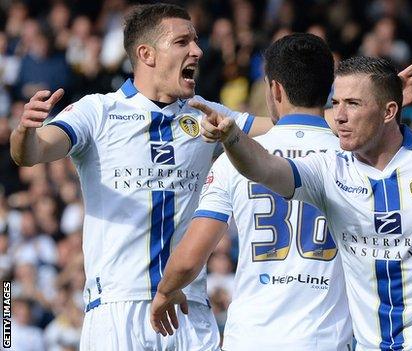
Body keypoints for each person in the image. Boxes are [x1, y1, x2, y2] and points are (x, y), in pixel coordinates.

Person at [193, 56, 412, 351]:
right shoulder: (327, 169)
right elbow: (265, 167)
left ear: (390, 111)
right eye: (336, 103)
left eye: (353, 104)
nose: (339, 116)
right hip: (369, 344)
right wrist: (233, 139)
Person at [9, 3, 273, 350]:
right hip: (118, 308)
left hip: (188, 308)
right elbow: (32, 153)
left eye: (195, 41)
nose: (197, 50)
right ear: (146, 54)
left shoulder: (207, 114)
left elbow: (287, 131)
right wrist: (26, 130)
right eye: (182, 42)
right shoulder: (98, 111)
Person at [150, 33, 352, 350]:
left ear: (274, 89)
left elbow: (190, 259)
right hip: (326, 338)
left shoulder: (235, 159)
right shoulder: (353, 161)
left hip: (251, 338)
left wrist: (166, 291)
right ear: (329, 88)